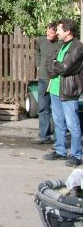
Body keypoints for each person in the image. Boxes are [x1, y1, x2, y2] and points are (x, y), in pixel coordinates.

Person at [43, 18, 83, 167]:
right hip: (55, 88)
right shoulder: (60, 46)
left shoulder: (78, 47)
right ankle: (60, 151)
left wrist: (55, 66)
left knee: (72, 124)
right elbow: (49, 62)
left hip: (68, 90)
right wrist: (54, 66)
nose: (56, 32)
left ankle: (76, 155)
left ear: (68, 31)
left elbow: (66, 67)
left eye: (59, 29)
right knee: (59, 122)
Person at [32, 22, 61, 144]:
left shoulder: (61, 44)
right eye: (47, 31)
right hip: (43, 79)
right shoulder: (41, 40)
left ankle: (56, 136)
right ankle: (44, 135)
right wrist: (38, 65)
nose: (48, 34)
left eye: (51, 33)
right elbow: (37, 52)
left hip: (55, 80)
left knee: (56, 109)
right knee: (43, 107)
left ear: (57, 33)